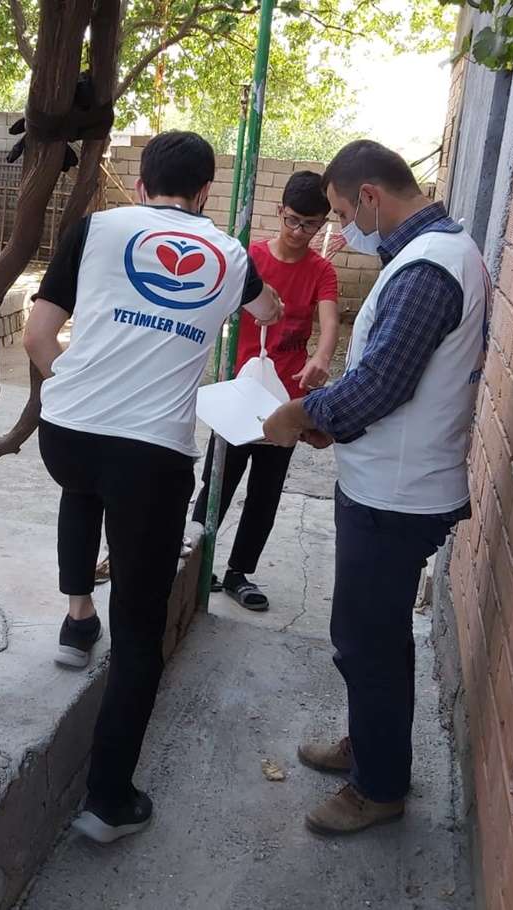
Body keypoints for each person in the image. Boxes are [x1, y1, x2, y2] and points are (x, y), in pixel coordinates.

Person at [23, 130, 283, 844]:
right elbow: (268, 313)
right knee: (140, 630)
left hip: (65, 434)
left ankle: (77, 622)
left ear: (140, 186)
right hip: (151, 459)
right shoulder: (231, 255)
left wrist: (72, 389)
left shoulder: (95, 229)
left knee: (84, 487)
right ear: (205, 193)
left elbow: (37, 335)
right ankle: (108, 801)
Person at [262, 140, 489, 837]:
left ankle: (379, 787)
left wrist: (303, 414)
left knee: (368, 640)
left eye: (339, 213)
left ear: (369, 196)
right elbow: (384, 379)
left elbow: (384, 382)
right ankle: (371, 744)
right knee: (369, 633)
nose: (339, 229)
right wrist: (332, 420)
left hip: (397, 495)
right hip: (388, 481)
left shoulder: (430, 269)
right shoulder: (432, 255)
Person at [191, 170, 341, 611]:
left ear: (322, 225)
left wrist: (321, 357)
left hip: (285, 400)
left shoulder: (322, 271)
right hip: (239, 393)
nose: (298, 232)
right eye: (292, 220)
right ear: (279, 212)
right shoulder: (249, 258)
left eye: (310, 225)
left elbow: (330, 321)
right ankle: (196, 559)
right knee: (218, 480)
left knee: (266, 489)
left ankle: (239, 572)